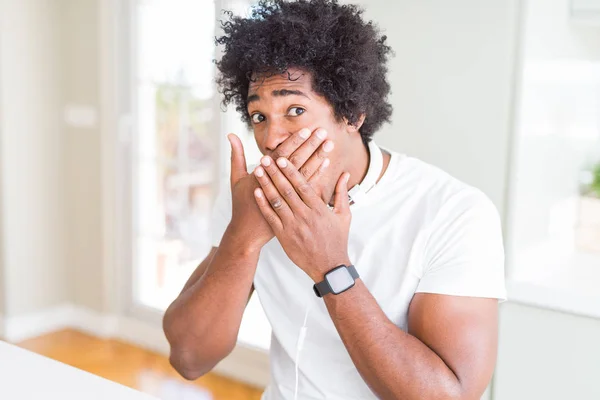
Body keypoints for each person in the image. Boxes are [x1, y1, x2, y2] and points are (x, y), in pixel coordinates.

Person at [163, 0, 506, 399]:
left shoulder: (454, 213)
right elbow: (188, 358)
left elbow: (449, 396)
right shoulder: (250, 200)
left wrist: (331, 266)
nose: (271, 140)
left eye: (294, 109)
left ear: (352, 113)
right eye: (259, 116)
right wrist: (243, 239)